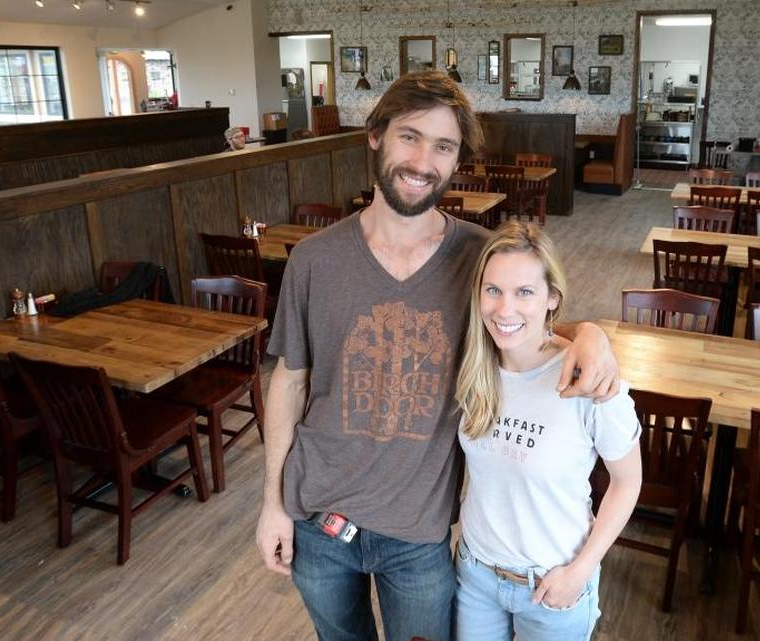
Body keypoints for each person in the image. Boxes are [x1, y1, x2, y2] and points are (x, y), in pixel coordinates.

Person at [255, 70, 621, 641]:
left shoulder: (474, 258)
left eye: (443, 146)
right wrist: (271, 502)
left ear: (456, 161)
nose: (423, 160)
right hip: (317, 523)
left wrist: (592, 332)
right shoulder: (312, 260)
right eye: (409, 136)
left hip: (419, 535)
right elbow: (288, 383)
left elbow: (524, 318)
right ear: (375, 136)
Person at [453, 220, 642, 641]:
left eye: (524, 292)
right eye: (493, 290)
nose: (505, 310)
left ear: (551, 298)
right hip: (477, 575)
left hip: (553, 583)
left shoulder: (590, 379)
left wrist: (581, 570)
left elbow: (628, 483)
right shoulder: (473, 370)